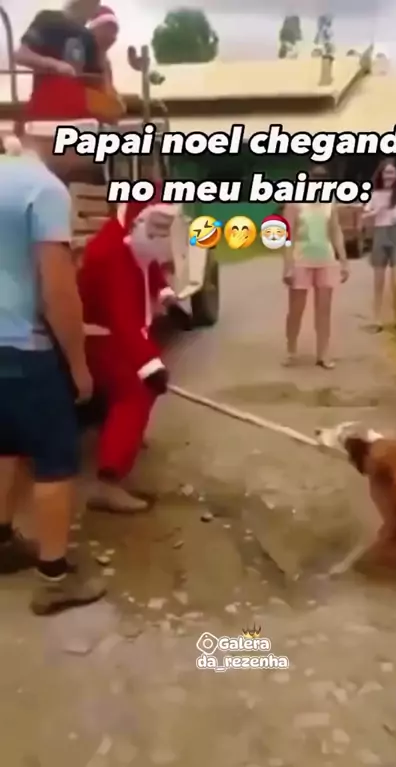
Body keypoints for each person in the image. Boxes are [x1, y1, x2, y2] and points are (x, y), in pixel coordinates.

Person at [0, 121, 106, 613]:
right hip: (25, 346)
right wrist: (80, 365)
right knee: (55, 459)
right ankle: (54, 574)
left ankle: (2, 542)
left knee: (5, 445)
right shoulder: (45, 190)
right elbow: (57, 290)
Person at [77, 195, 180, 513]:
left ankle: (122, 437)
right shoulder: (111, 254)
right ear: (139, 219)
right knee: (135, 392)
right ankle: (108, 481)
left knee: (142, 386)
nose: (161, 235)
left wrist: (168, 298)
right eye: (157, 227)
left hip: (115, 335)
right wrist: (149, 365)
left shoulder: (131, 239)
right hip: (100, 339)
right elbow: (123, 320)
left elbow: (150, 268)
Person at [282, 166, 349, 367]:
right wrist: (287, 266)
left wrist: (343, 260)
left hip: (325, 259)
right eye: (314, 180)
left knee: (324, 310)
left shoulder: (330, 203)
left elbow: (335, 231)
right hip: (301, 259)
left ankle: (323, 353)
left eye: (322, 180)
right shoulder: (295, 203)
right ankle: (291, 350)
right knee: (296, 309)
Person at [15, 0, 123, 124]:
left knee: (114, 108)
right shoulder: (48, 18)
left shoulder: (89, 38)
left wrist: (103, 55)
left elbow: (100, 85)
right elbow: (20, 55)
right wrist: (55, 65)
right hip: (48, 102)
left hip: (79, 110)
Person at [363, 159, 396, 331]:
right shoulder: (375, 194)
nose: (389, 176)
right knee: (378, 281)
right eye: (386, 172)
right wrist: (374, 212)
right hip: (380, 234)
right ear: (381, 174)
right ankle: (377, 319)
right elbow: (365, 214)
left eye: (392, 172)